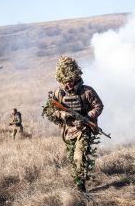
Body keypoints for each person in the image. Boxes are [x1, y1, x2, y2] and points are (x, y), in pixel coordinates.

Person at [42, 56, 104, 192]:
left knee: (79, 156)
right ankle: (80, 180)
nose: (68, 84)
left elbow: (98, 106)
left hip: (84, 129)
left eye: (70, 80)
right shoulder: (58, 93)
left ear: (75, 77)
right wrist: (63, 114)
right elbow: (50, 111)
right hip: (68, 131)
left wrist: (87, 117)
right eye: (65, 81)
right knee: (73, 158)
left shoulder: (87, 91)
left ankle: (80, 188)